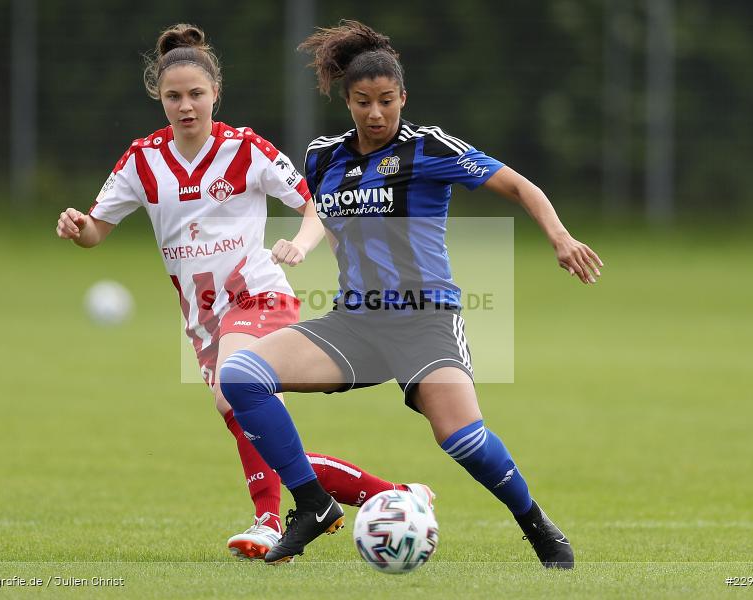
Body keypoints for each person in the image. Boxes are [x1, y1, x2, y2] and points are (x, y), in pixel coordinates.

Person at [219, 20, 603, 568]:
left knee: (461, 437)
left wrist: (560, 238)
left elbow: (519, 185)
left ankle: (535, 523)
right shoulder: (323, 156)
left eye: (386, 101)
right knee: (240, 378)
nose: (375, 113)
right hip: (355, 323)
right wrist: (304, 246)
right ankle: (313, 504)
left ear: (403, 97)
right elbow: (327, 220)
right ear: (347, 102)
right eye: (362, 102)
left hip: (426, 320)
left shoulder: (427, 147)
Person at [54, 23, 434, 561]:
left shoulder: (247, 150)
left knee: (233, 393)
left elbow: (315, 203)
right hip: (204, 322)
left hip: (259, 298)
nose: (186, 106)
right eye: (173, 96)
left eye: (196, 94)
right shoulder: (142, 160)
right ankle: (393, 495)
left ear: (215, 93)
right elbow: (97, 230)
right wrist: (78, 228)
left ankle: (267, 522)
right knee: (264, 439)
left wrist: (300, 243)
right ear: (159, 97)